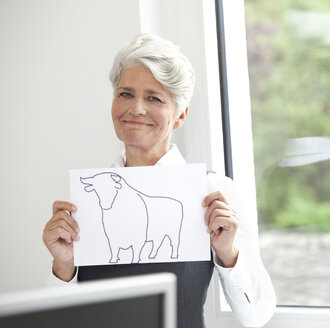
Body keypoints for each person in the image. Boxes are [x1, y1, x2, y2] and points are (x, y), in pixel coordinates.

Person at [42, 33, 276, 328]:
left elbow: (257, 317)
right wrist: (63, 266)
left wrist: (228, 253)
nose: (136, 108)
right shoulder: (87, 199)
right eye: (125, 94)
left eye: (154, 98)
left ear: (180, 116)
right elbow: (61, 318)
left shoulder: (213, 192)